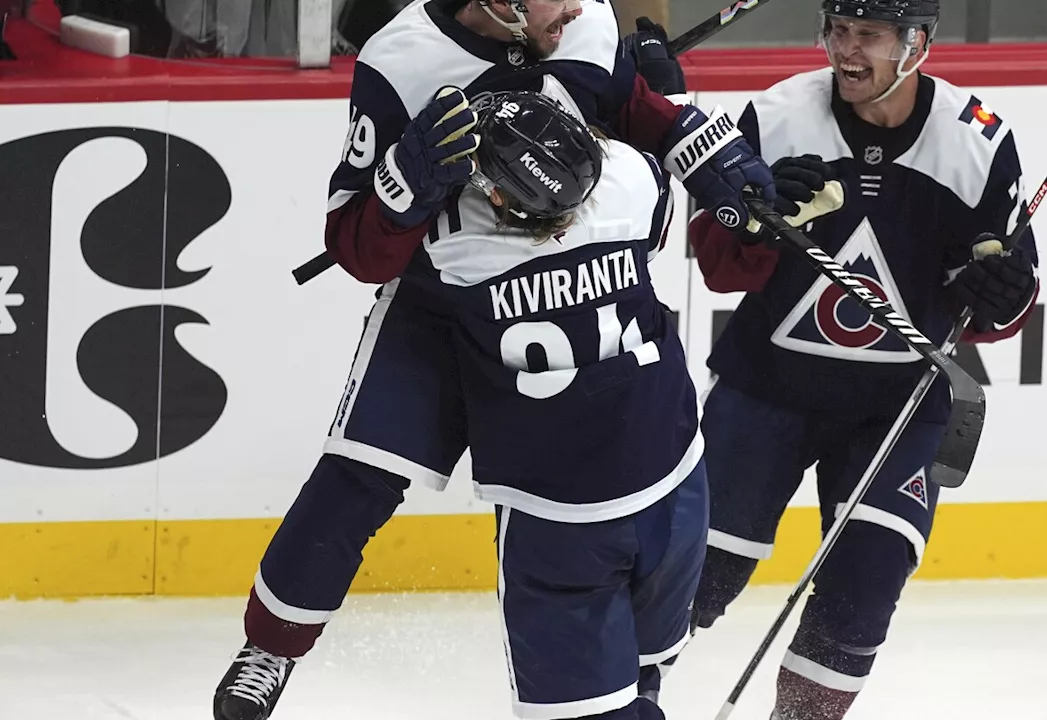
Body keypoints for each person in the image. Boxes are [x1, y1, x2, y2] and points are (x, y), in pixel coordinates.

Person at [211, 1, 773, 718]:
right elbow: (354, 246)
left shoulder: (586, 22)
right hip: (439, 306)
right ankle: (273, 644)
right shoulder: (403, 59)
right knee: (359, 475)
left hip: (555, 295)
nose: (578, 4)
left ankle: (629, 677)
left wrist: (709, 148)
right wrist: (402, 193)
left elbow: (644, 118)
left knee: (609, 489)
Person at [656, 1, 1042, 718]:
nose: (846, 49)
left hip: (897, 412)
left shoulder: (978, 142)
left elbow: (1001, 303)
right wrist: (764, 222)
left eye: (868, 34)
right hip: (766, 393)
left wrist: (1002, 292)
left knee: (863, 589)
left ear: (917, 43)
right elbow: (718, 267)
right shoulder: (775, 118)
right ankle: (618, 701)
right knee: (692, 576)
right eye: (838, 29)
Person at [420, 87, 707, 720]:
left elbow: (386, 236)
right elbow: (646, 176)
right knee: (647, 668)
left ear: (496, 197)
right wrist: (670, 90)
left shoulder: (456, 241)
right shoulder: (631, 182)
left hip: (554, 512)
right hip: (672, 480)